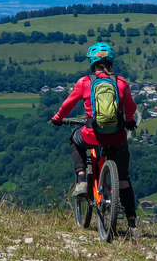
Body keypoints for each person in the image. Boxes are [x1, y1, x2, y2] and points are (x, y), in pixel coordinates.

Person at [51, 42, 140, 236]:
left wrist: (58, 118)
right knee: (124, 180)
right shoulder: (121, 82)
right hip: (117, 136)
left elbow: (68, 105)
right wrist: (130, 122)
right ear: (111, 62)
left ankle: (82, 179)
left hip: (92, 135)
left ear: (92, 63)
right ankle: (132, 224)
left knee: (75, 139)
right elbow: (131, 107)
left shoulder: (85, 82)